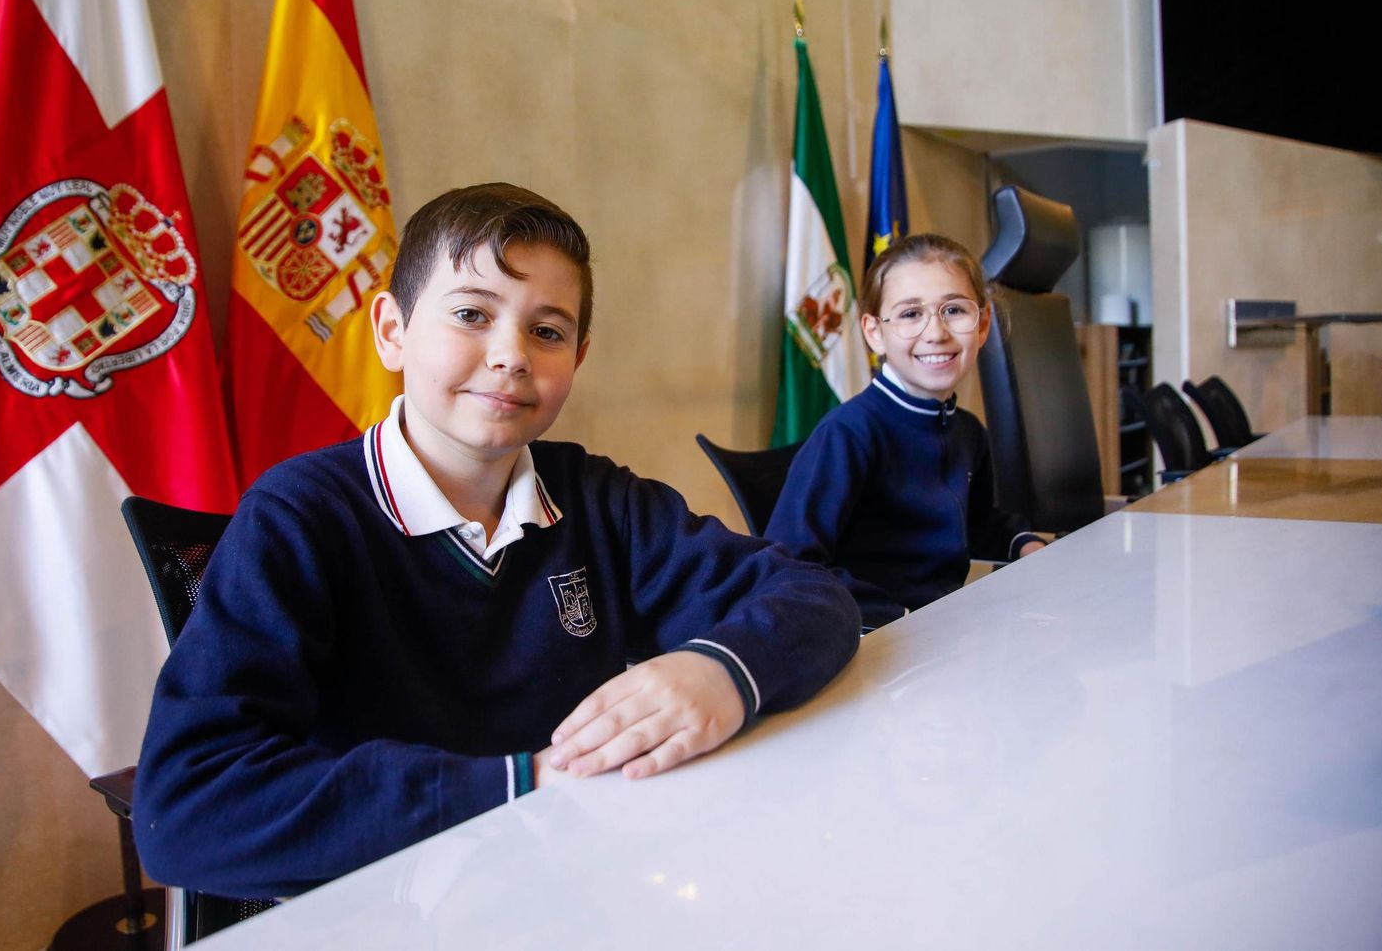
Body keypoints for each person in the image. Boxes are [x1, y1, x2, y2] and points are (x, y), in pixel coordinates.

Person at [132, 183, 861, 899]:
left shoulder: (594, 498)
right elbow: (187, 809)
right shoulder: (299, 517)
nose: (511, 354)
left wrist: (721, 673)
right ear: (392, 331)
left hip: (574, 879)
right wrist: (520, 785)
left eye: (547, 331)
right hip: (394, 901)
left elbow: (813, 596)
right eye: (472, 314)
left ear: (576, 357)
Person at [765, 233, 1046, 630]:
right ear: (874, 333)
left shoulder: (967, 431)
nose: (936, 332)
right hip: (875, 638)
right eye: (911, 314)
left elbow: (978, 525)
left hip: (943, 627)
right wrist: (901, 619)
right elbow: (789, 561)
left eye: (954, 310)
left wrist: (1026, 544)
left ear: (982, 325)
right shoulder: (848, 434)